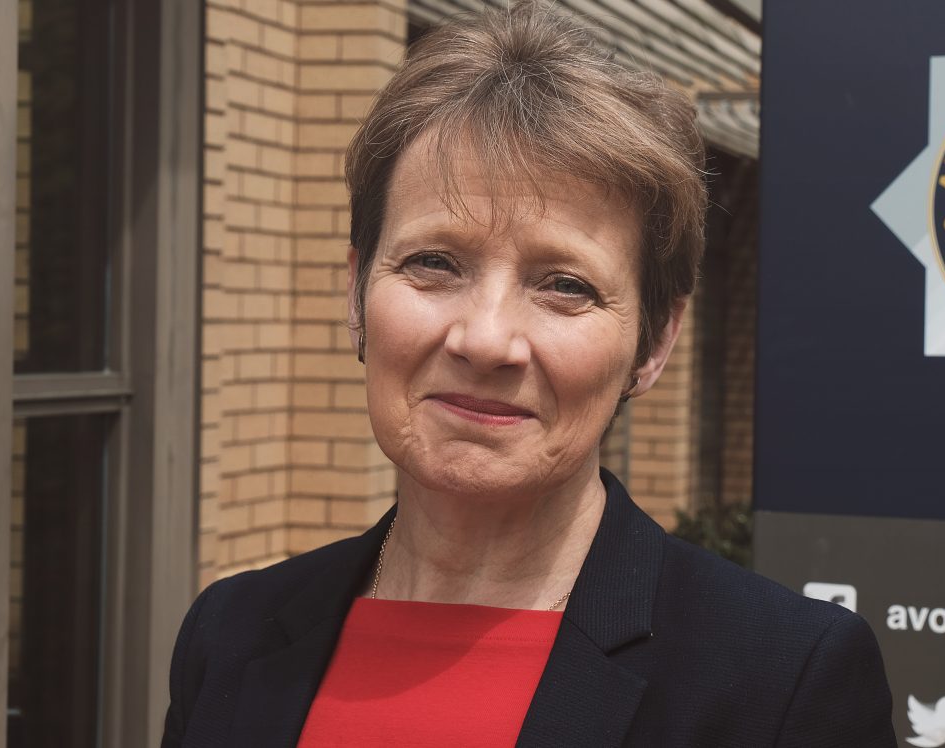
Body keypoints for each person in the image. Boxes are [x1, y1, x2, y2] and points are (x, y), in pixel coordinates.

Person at [162, 3, 895, 746]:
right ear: (356, 294)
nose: (485, 341)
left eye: (565, 285)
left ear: (654, 341)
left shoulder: (783, 684)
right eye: (434, 263)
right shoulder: (228, 636)